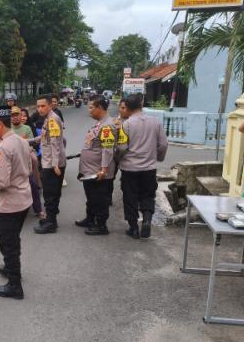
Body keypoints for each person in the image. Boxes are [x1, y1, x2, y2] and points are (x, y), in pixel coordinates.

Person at [0, 106, 32, 299]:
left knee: (7, 244)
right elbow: (28, 166)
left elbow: (2, 182)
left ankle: (15, 286)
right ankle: (11, 269)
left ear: (0, 124)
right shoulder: (21, 141)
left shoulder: (3, 147)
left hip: (10, 203)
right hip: (24, 198)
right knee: (13, 238)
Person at [116, 93, 168, 239]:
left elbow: (121, 147)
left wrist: (118, 160)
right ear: (141, 104)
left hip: (129, 168)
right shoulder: (156, 122)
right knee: (148, 195)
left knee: (130, 196)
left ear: (129, 108)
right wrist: (158, 157)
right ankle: (146, 219)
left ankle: (133, 228)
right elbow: (163, 144)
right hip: (149, 168)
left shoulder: (127, 124)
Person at [76, 97, 117, 235]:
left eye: (91, 108)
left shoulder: (107, 126)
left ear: (99, 107)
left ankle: (101, 225)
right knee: (92, 197)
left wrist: (104, 169)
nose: (89, 111)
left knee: (99, 199)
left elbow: (107, 149)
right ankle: (90, 219)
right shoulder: (100, 123)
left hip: (98, 172)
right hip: (90, 170)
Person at [33, 95, 66, 234]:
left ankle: (51, 223)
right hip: (50, 162)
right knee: (52, 193)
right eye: (38, 106)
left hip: (51, 164)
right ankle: (51, 219)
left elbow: (55, 143)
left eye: (43, 106)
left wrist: (55, 164)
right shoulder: (48, 118)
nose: (40, 109)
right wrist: (29, 140)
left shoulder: (52, 119)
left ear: (50, 106)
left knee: (50, 194)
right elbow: (45, 137)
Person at [11, 107, 44, 219]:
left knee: (34, 160)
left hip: (25, 153)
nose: (15, 117)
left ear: (21, 116)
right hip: (10, 156)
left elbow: (31, 143)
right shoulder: (8, 129)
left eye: (17, 115)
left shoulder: (27, 128)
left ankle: (38, 209)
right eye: (13, 115)